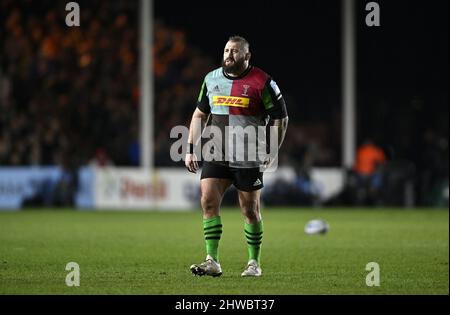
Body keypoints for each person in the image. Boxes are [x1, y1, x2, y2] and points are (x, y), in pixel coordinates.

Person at [185, 36, 288, 277]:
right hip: (217, 152)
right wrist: (191, 148)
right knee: (208, 201)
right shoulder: (211, 79)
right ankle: (212, 260)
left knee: (249, 210)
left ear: (247, 56)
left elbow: (280, 119)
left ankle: (254, 263)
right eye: (226, 50)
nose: (229, 55)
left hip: (248, 154)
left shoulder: (263, 82)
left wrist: (272, 149)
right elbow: (199, 115)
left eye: (235, 51)